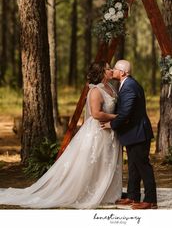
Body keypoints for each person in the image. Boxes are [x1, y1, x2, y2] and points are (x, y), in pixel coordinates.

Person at [0, 61, 122, 209]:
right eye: (108, 68)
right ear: (102, 72)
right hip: (98, 131)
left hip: (109, 131)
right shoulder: (95, 91)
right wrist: (117, 117)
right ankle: (88, 192)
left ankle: (105, 192)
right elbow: (96, 114)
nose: (111, 71)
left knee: (105, 161)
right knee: (92, 162)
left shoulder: (110, 87)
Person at [101, 59, 157, 209]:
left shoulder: (129, 87)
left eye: (115, 69)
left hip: (138, 133)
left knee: (143, 166)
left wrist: (111, 124)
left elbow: (125, 113)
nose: (112, 71)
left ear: (123, 72)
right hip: (133, 133)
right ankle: (133, 196)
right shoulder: (125, 84)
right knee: (133, 166)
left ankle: (151, 200)